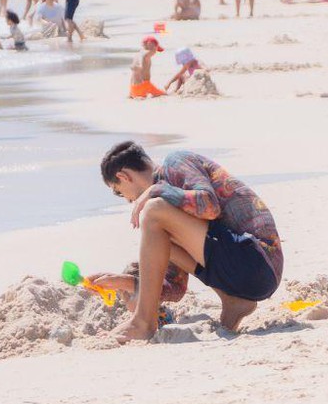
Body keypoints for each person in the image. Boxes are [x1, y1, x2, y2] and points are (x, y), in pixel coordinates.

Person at [101, 141, 284, 339]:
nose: (128, 200)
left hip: (258, 259)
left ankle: (143, 322)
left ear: (124, 177)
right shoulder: (167, 215)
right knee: (156, 220)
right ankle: (233, 301)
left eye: (118, 191)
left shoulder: (175, 162)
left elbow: (209, 206)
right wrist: (123, 282)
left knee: (153, 210)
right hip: (247, 271)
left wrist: (156, 191)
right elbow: (176, 288)